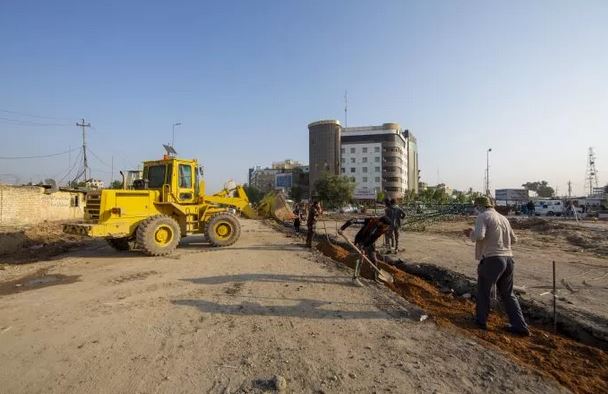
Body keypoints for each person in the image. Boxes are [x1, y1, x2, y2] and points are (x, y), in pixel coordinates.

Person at [463, 196, 529, 336]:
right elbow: (514, 240)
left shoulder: (483, 216)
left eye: (476, 206)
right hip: (509, 259)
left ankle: (481, 321)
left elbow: (479, 236)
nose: (476, 209)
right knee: (508, 294)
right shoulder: (503, 218)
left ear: (480, 206)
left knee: (483, 291)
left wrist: (470, 234)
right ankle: (520, 325)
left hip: (493, 259)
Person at [338, 215, 392, 284]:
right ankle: (355, 278)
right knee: (360, 258)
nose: (387, 227)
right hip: (360, 241)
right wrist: (342, 228)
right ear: (381, 222)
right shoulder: (370, 221)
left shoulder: (382, 229)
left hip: (370, 243)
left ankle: (374, 278)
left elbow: (373, 239)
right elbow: (353, 220)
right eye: (386, 225)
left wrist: (366, 247)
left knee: (374, 260)